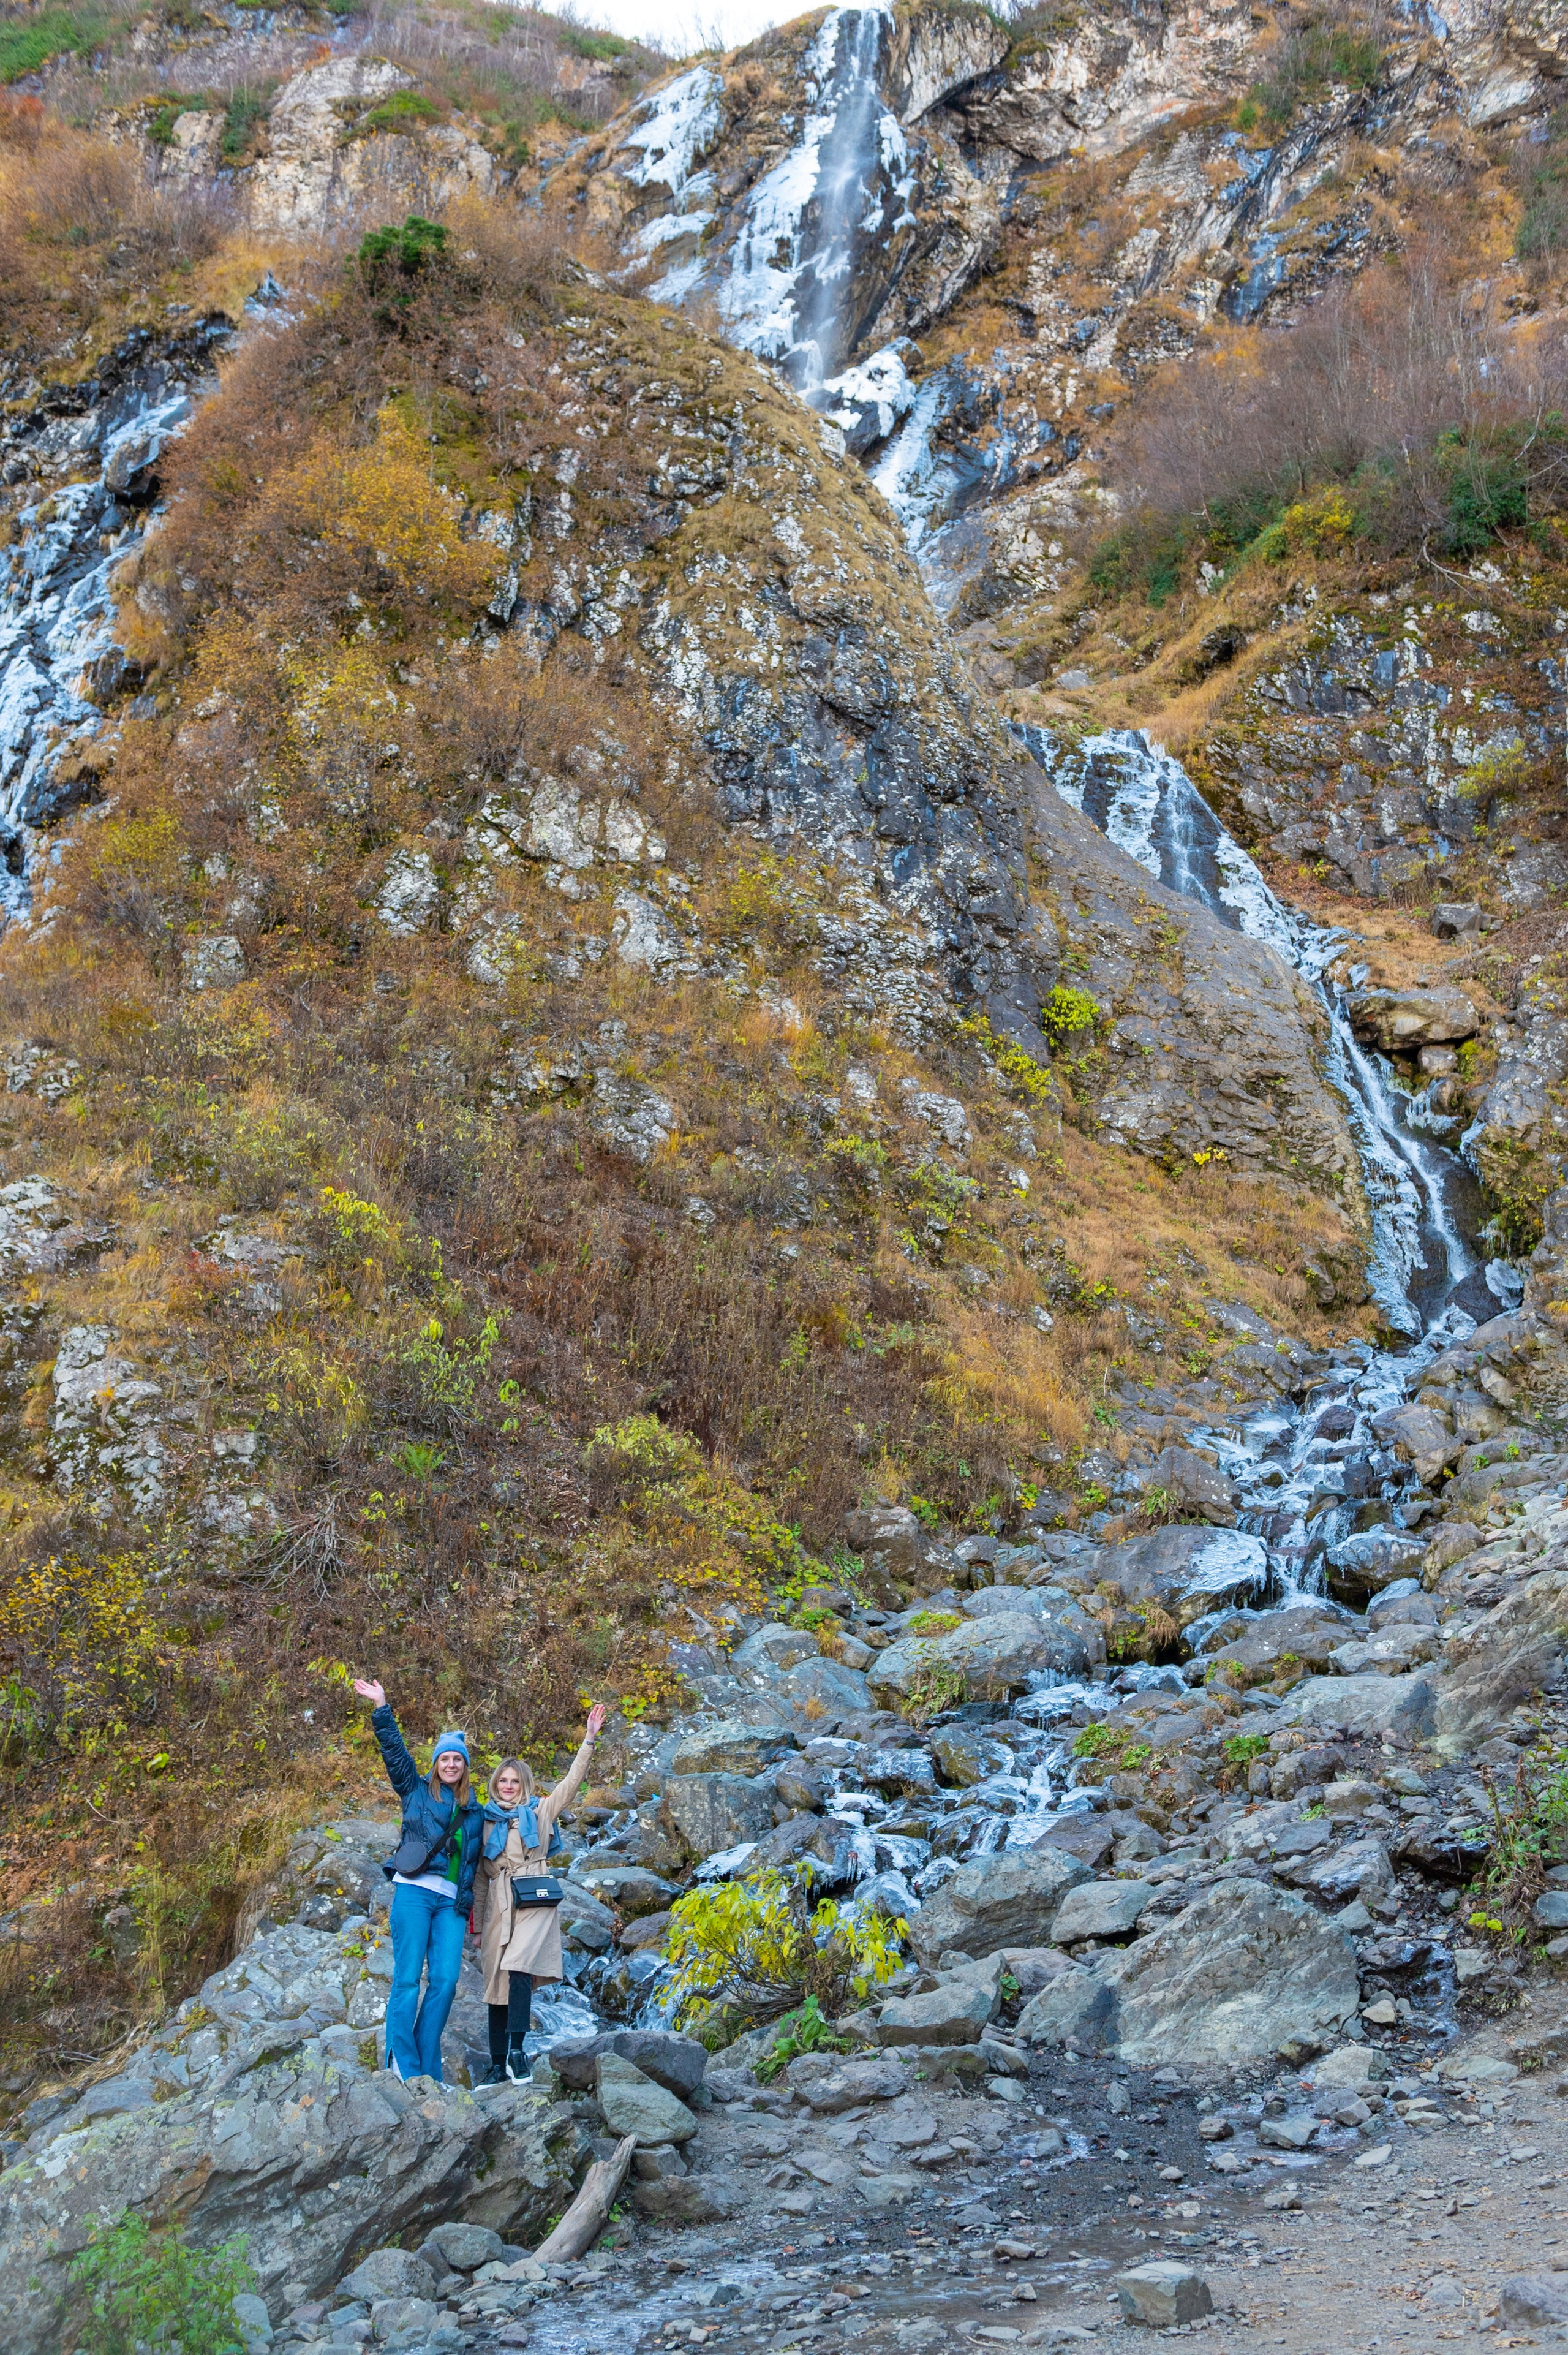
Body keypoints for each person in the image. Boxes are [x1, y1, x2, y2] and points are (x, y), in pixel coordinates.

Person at [353, 1677, 483, 2084]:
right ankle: (403, 2065)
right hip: (414, 1894)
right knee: (408, 1978)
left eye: (457, 1760)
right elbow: (394, 1753)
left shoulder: (474, 1811)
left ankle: (429, 2068)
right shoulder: (414, 1790)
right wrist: (381, 1708)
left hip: (451, 1905)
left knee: (445, 1982)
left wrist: (475, 1917)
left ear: (464, 1766)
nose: (450, 1764)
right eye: (444, 1758)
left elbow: (476, 1867)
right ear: (435, 1763)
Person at [473, 1702, 608, 2082]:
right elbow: (482, 1877)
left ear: (526, 1785)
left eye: (516, 1781)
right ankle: (498, 2065)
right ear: (495, 1784)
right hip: (499, 1902)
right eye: (504, 1781)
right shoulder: (484, 1820)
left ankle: (518, 2052)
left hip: (533, 1896)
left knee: (518, 1970)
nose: (509, 1786)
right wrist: (479, 1924)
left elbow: (570, 1786)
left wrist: (588, 1740)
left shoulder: (540, 1812)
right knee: (496, 1982)